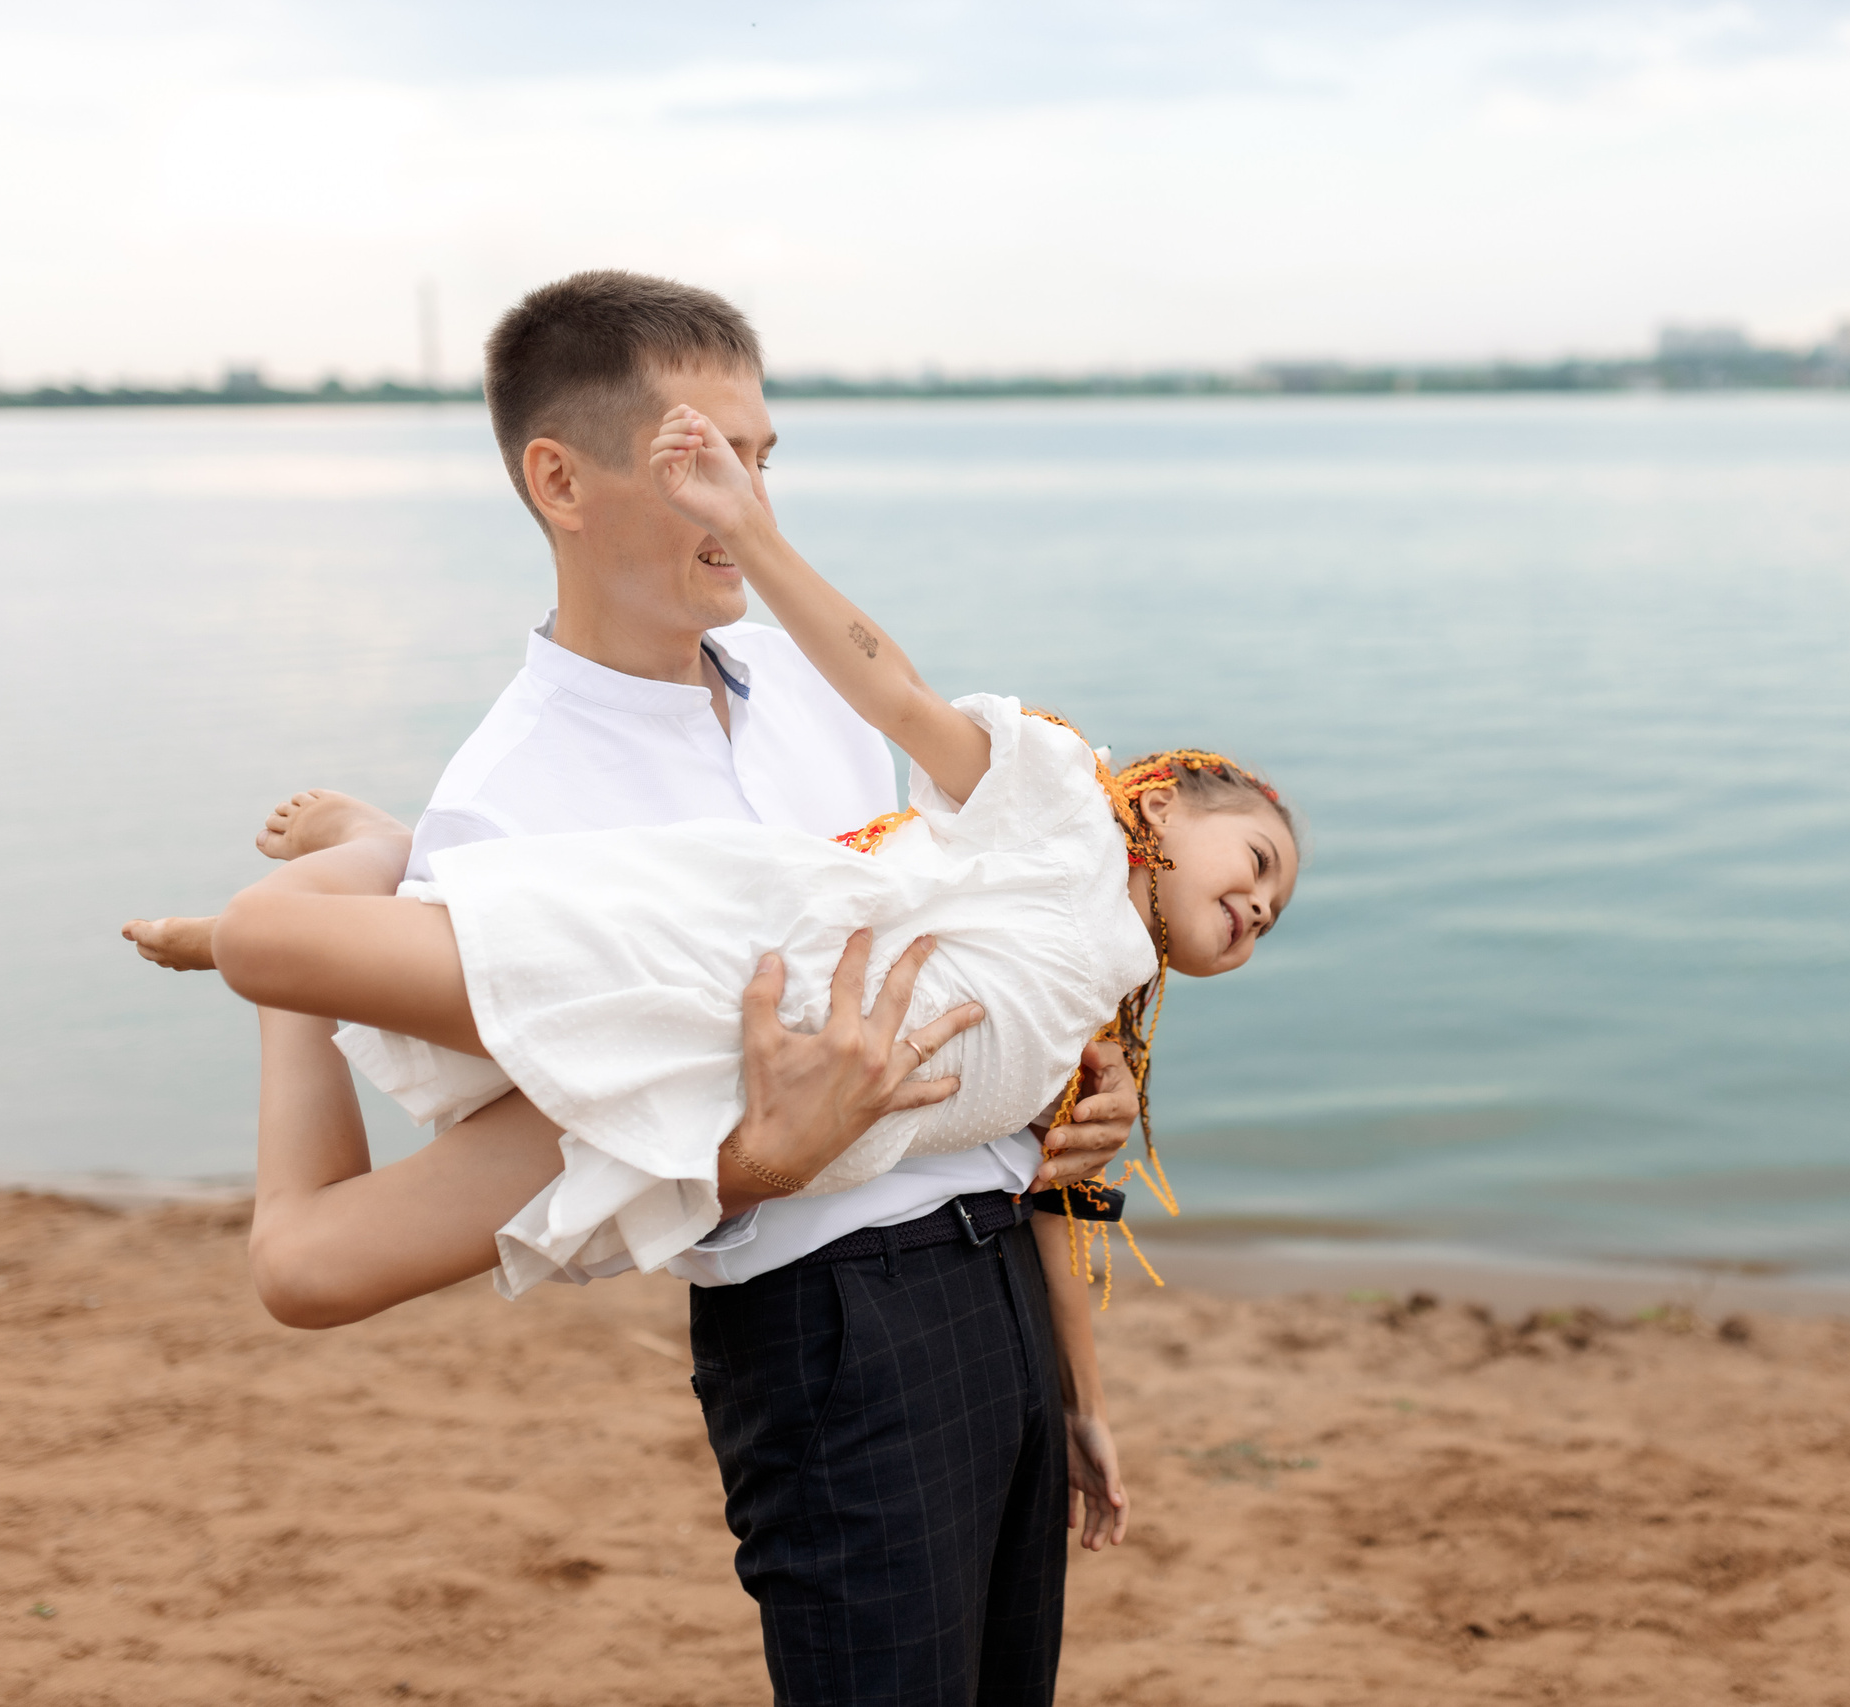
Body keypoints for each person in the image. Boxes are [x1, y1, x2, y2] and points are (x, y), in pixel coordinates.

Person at [119, 272, 1188, 1706]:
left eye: (763, 458)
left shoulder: (812, 682)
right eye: (706, 460)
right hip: (830, 1326)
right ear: (560, 479)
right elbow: (582, 1175)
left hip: (993, 1272)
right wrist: (763, 1158)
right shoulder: (506, 812)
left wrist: (1066, 1084)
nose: (747, 498)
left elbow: (932, 936)